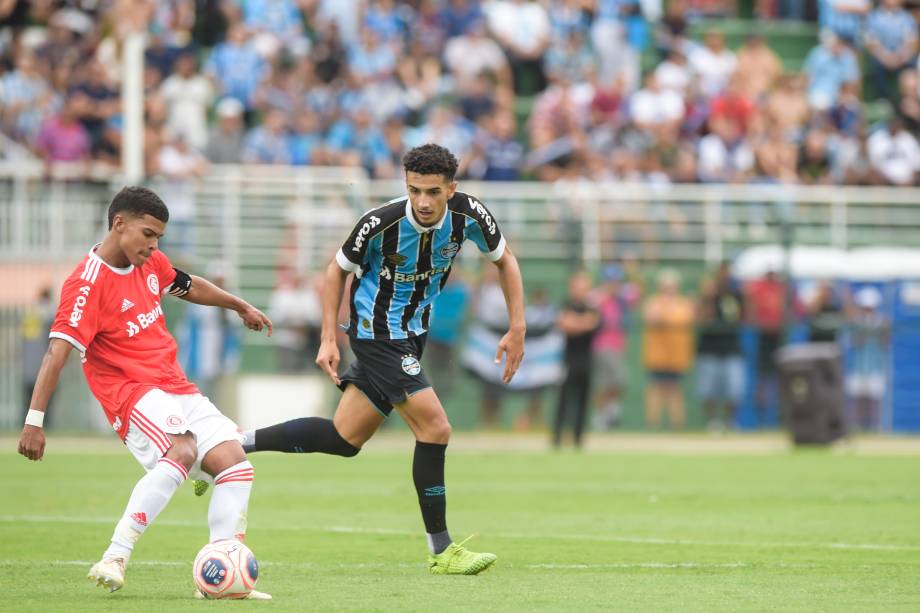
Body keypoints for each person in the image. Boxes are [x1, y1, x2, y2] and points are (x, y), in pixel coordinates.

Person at [241, 144, 525, 575]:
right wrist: (327, 338)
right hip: (377, 334)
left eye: (433, 191)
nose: (423, 202)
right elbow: (335, 270)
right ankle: (442, 549)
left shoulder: (470, 215)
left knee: (344, 439)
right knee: (436, 427)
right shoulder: (380, 222)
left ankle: (234, 443)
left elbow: (506, 262)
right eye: (414, 190)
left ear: (452, 188)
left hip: (414, 333)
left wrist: (517, 326)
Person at [16, 187, 274, 599]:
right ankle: (115, 556)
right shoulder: (85, 285)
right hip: (131, 392)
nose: (154, 245)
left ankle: (220, 574)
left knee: (234, 464)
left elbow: (188, 285)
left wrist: (238, 305)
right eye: (148, 234)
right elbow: (57, 351)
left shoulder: (151, 262)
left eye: (158, 238)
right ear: (119, 224)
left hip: (174, 384)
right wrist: (34, 421)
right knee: (184, 449)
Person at [642, 268, 695, 429]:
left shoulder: (683, 303)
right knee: (656, 388)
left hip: (677, 355)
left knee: (674, 389)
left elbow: (685, 319)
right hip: (657, 354)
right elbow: (653, 319)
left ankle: (677, 424)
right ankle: (652, 424)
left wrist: (666, 314)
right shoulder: (654, 302)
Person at [695, 264, 745, 432]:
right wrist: (707, 297)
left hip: (731, 348)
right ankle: (712, 422)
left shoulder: (736, 296)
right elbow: (700, 319)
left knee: (734, 389)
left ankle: (730, 421)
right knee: (708, 390)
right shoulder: (708, 296)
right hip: (709, 349)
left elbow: (746, 318)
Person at [553, 271, 600, 448]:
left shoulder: (592, 307)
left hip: (586, 359)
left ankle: (578, 438)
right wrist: (583, 323)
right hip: (568, 359)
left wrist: (575, 323)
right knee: (564, 399)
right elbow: (565, 325)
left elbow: (593, 323)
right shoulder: (566, 304)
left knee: (583, 400)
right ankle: (557, 437)